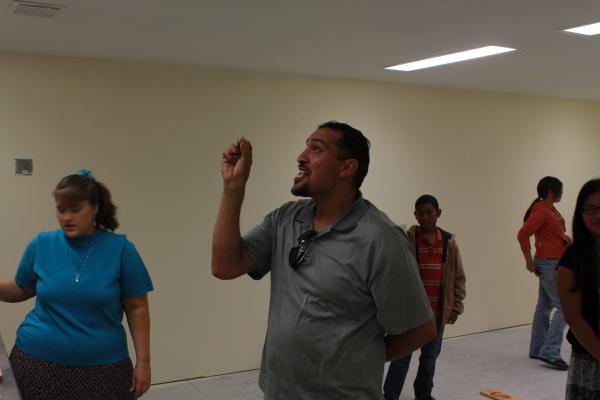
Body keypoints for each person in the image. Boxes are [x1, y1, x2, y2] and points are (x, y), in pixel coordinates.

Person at [212, 121, 436, 399]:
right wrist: (233, 187)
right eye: (305, 147)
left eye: (316, 149)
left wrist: (359, 360)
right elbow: (224, 266)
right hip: (279, 392)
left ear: (346, 168)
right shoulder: (285, 220)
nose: (301, 156)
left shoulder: (380, 239)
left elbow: (421, 329)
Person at [0, 170, 153, 400]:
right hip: (36, 362)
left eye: (75, 209)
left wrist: (143, 362)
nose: (67, 217)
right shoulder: (42, 244)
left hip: (104, 370)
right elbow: (22, 288)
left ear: (95, 208)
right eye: (61, 209)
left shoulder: (121, 250)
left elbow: (137, 307)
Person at [383, 194, 466, 400]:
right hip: (410, 314)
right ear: (415, 215)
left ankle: (423, 393)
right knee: (401, 356)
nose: (425, 217)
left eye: (430, 212)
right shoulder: (407, 240)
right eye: (421, 213)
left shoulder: (449, 243)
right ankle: (390, 395)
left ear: (438, 213)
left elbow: (458, 276)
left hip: (437, 313)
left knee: (430, 356)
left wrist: (456, 306)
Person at [517, 176, 570, 369]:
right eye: (560, 190)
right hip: (549, 264)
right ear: (550, 192)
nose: (562, 193)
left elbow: (551, 233)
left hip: (552, 261)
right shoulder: (541, 210)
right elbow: (522, 234)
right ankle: (550, 351)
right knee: (565, 307)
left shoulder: (549, 209)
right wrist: (528, 261)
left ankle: (538, 348)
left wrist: (565, 239)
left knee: (544, 305)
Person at [557, 178, 600, 399]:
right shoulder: (573, 258)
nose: (596, 215)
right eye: (589, 209)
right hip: (590, 361)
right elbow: (574, 318)